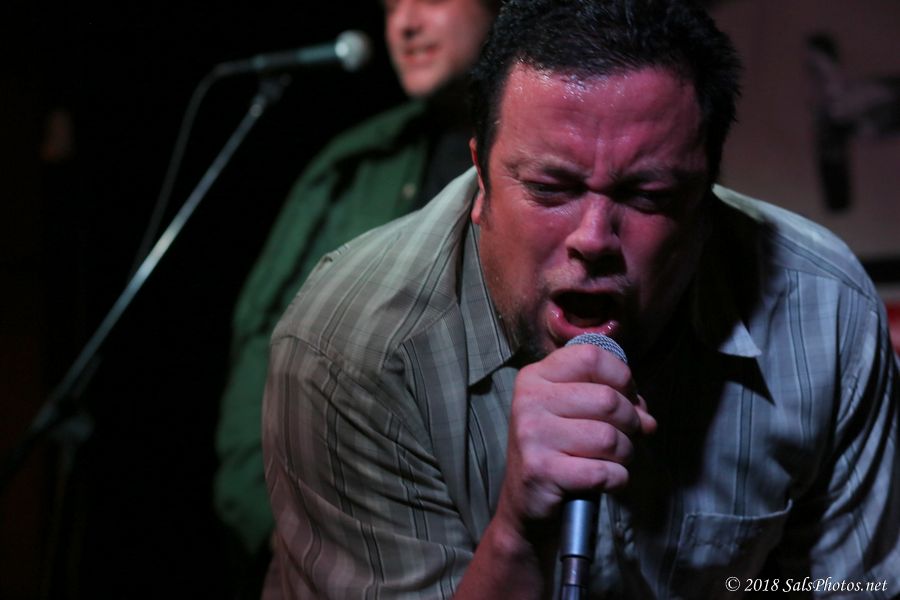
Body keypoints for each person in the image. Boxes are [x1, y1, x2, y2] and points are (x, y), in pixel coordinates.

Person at [263, 0, 900, 597]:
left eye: (648, 196)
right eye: (550, 188)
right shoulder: (350, 346)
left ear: (706, 199)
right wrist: (516, 536)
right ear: (481, 179)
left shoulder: (826, 313)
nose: (593, 239)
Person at [213, 0, 501, 576]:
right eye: (391, 7)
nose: (405, 24)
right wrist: (273, 524)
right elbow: (262, 344)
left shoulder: (547, 165)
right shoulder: (353, 167)